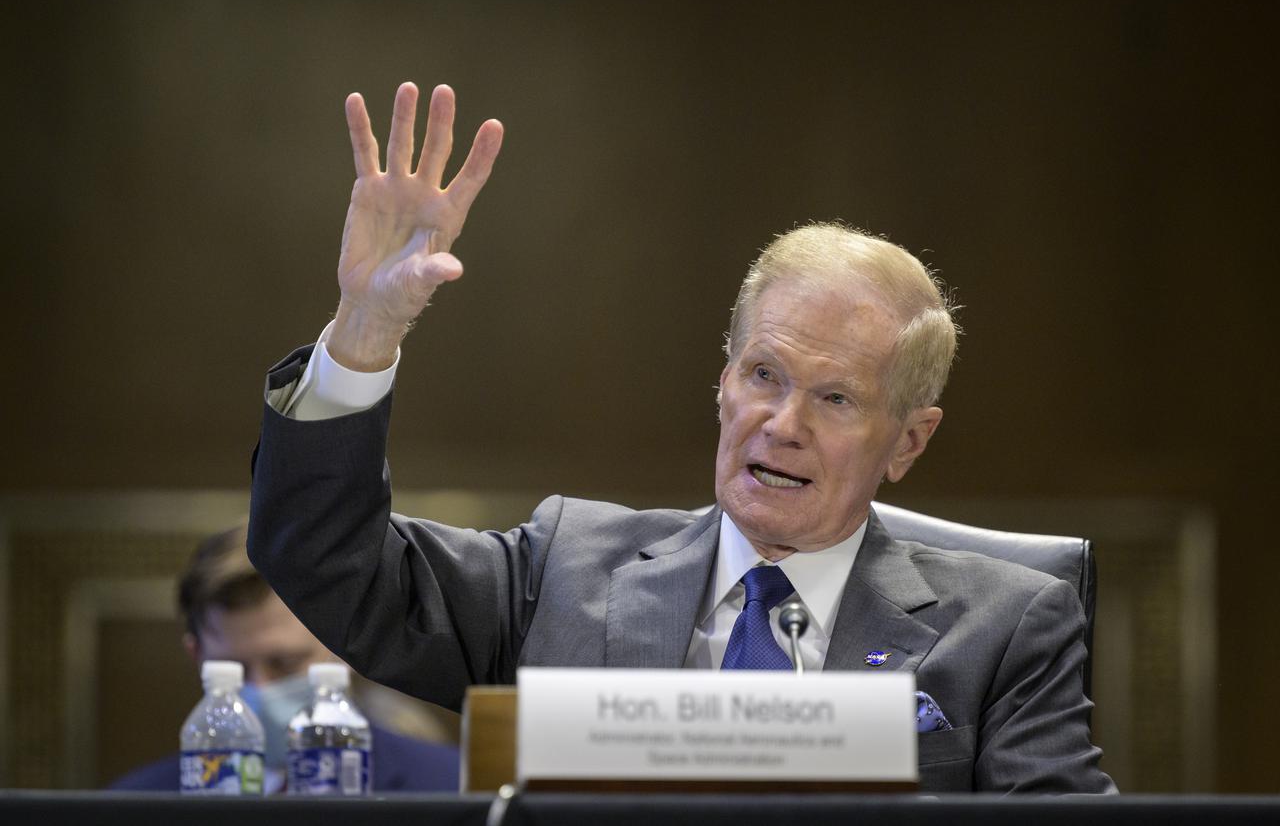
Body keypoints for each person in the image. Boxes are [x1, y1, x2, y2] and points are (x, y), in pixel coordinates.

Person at [248, 82, 1115, 793]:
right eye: (764, 376)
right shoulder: (568, 572)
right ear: (724, 380)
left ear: (908, 444)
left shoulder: (1005, 629)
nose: (784, 424)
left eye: (838, 399)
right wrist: (362, 331)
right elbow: (327, 560)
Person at [108, 523, 459, 792]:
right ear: (196, 657)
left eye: (286, 663)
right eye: (232, 670)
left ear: (347, 645)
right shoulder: (131, 807)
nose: (259, 691)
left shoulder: (449, 786)